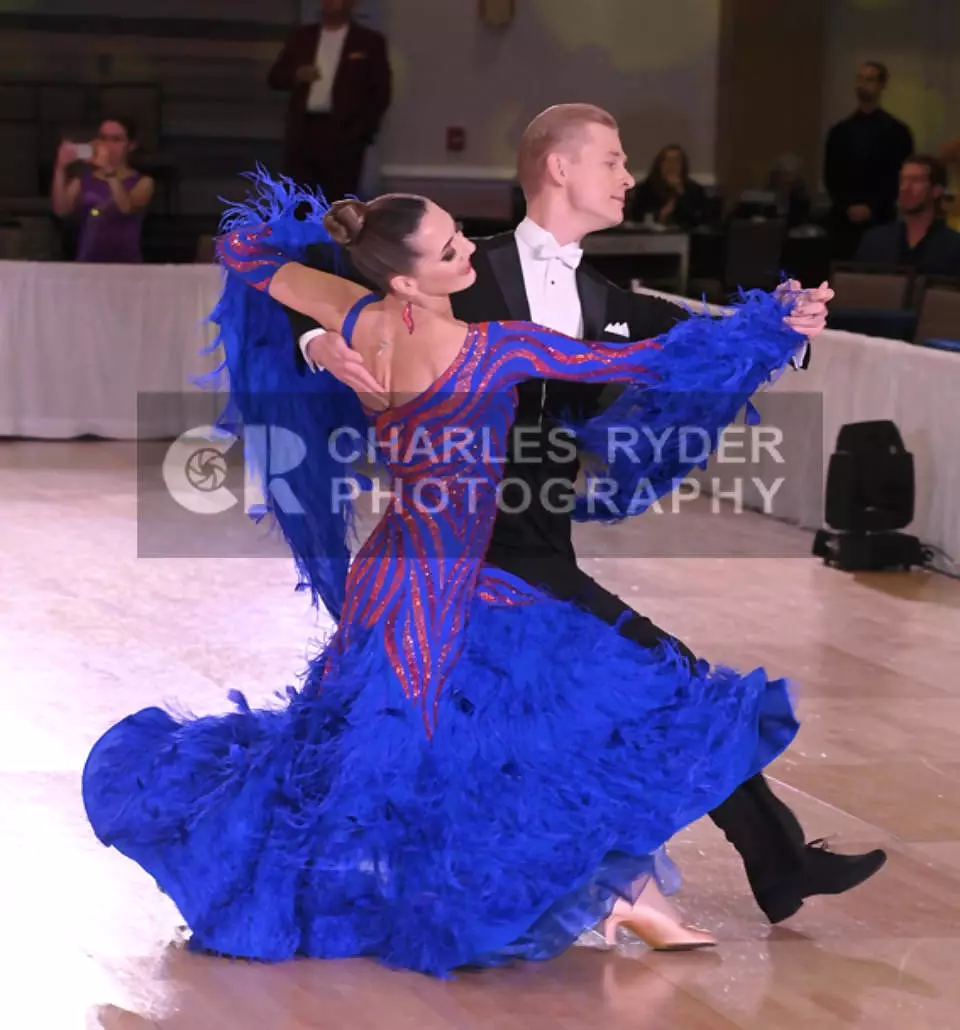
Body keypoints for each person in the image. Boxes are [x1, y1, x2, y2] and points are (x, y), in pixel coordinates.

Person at [82, 166, 820, 975]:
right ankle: (585, 892)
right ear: (406, 278)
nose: (469, 251)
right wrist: (770, 326)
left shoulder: (356, 313)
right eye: (449, 250)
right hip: (445, 588)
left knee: (412, 741)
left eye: (461, 234)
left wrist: (319, 339)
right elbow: (652, 361)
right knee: (515, 723)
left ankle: (618, 894)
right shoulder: (497, 348)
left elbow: (242, 247)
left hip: (394, 572)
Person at [291, 104, 886, 926]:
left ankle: (771, 863)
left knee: (626, 700)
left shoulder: (609, 298)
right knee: (652, 687)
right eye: (613, 159)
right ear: (561, 169)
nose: (629, 175)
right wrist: (316, 347)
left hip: (537, 543)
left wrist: (784, 324)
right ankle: (761, 864)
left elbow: (697, 346)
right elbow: (329, 302)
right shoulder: (461, 267)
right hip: (460, 551)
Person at [268, 0, 391, 201]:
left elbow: (380, 93)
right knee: (299, 199)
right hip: (304, 132)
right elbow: (275, 78)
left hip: (343, 135)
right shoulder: (302, 37)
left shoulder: (368, 42)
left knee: (337, 202)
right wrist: (296, 75)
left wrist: (361, 133)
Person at [824, 61, 914, 259]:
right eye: (860, 79)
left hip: (881, 219)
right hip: (843, 220)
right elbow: (831, 175)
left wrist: (873, 207)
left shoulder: (897, 133)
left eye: (870, 79)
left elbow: (900, 176)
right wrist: (846, 205)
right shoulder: (840, 132)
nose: (864, 85)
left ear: (882, 85)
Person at [50, 117, 154, 263]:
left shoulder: (144, 182)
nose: (108, 145)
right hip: (89, 261)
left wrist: (108, 170)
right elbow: (61, 209)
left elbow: (125, 207)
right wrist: (60, 168)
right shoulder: (83, 180)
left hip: (127, 264)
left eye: (115, 140)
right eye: (103, 138)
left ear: (130, 145)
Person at [855, 154, 960, 276]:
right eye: (902, 181)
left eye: (915, 181)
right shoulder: (874, 241)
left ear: (936, 190)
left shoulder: (954, 248)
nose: (905, 188)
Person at [630, 144, 710, 230]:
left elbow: (698, 219)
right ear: (659, 165)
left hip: (684, 237)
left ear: (683, 166)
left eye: (676, 161)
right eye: (667, 161)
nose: (671, 166)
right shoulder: (646, 188)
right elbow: (637, 217)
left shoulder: (694, 189)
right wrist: (659, 215)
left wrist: (681, 191)